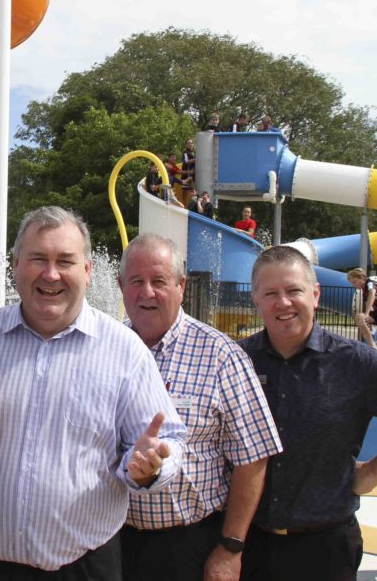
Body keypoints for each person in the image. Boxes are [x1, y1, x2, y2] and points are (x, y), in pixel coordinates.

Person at [0, 206, 187, 580]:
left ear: (87, 270)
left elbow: (167, 441)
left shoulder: (124, 350)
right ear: (15, 265)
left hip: (84, 567)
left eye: (65, 261)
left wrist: (151, 465)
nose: (51, 274)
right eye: (38, 259)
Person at [239, 246, 377, 581]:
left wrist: (374, 471)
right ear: (256, 300)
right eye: (271, 293)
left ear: (315, 295)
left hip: (324, 549)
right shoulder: (237, 361)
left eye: (294, 290)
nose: (283, 302)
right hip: (246, 545)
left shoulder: (355, 362)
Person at [118, 235, 282, 581]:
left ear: (181, 285)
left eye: (159, 281)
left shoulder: (221, 356)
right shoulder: (107, 350)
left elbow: (253, 458)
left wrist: (230, 549)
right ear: (121, 286)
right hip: (112, 543)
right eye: (137, 281)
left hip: (188, 546)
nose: (147, 292)